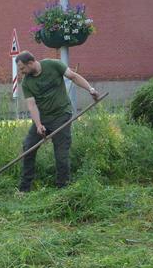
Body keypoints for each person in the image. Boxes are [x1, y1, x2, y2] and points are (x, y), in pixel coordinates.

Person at [15, 51, 99, 192]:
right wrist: (38, 125)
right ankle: (24, 189)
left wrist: (90, 89)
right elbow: (32, 105)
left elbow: (73, 76)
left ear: (30, 63)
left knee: (61, 153)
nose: (21, 72)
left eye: (22, 68)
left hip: (61, 115)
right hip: (43, 118)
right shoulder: (27, 83)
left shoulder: (53, 65)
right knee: (28, 147)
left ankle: (63, 189)